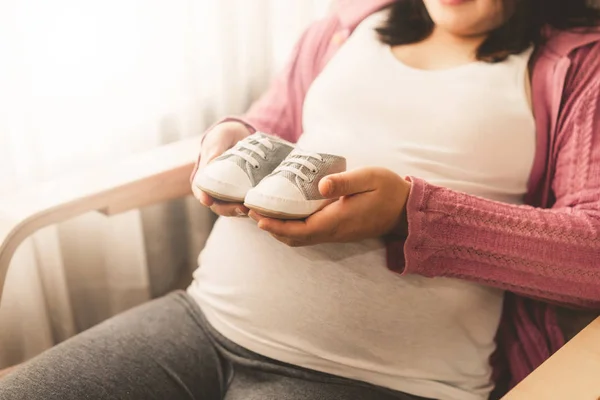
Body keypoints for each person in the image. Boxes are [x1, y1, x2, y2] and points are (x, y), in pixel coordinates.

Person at [1, 0, 599, 399]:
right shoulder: (349, 25)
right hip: (200, 322)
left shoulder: (577, 65)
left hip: (377, 378)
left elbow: (591, 253)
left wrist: (407, 214)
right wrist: (229, 137)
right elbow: (270, 123)